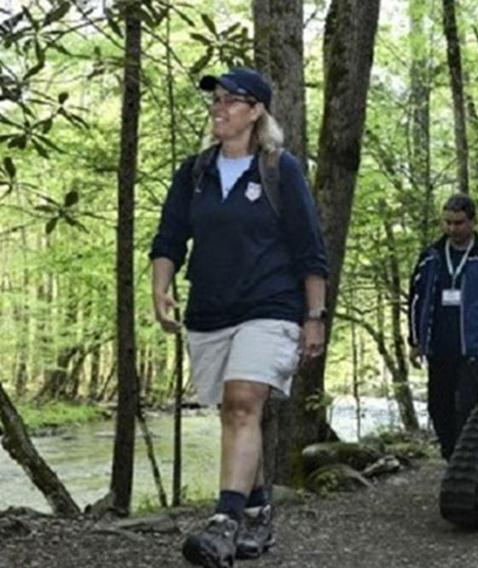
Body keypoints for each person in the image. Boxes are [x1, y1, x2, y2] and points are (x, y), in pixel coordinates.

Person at [150, 68, 328, 567]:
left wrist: (313, 315)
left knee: (242, 401)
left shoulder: (280, 168)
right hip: (209, 309)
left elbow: (309, 247)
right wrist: (159, 288)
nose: (219, 108)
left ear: (256, 112)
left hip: (270, 306)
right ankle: (258, 510)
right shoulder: (195, 172)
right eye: (217, 100)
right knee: (232, 413)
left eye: (231, 100)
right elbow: (169, 238)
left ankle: (224, 522)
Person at [408, 194, 478, 460]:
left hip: (476, 347)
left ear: (472, 222)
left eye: (458, 223)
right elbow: (416, 298)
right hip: (439, 346)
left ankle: (466, 460)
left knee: (469, 407)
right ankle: (450, 455)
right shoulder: (431, 257)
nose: (452, 229)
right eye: (447, 222)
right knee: (438, 406)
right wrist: (415, 340)